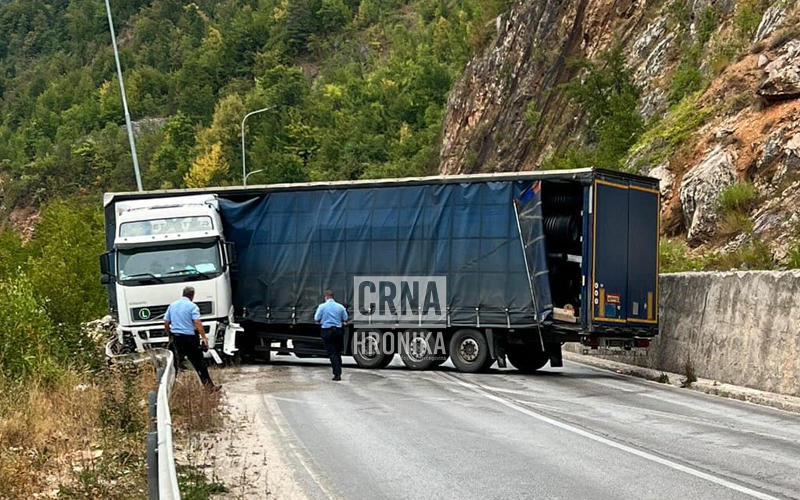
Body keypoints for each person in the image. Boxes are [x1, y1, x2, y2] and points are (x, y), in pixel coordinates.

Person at [165, 286, 221, 392]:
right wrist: (204, 337)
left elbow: (166, 322)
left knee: (174, 365)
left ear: (183, 293)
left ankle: (168, 389)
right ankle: (209, 387)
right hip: (190, 339)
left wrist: (170, 336)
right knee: (199, 363)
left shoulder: (172, 306)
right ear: (192, 295)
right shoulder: (192, 306)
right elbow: (197, 322)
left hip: (176, 338)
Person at [314, 289, 348, 381]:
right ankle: (339, 371)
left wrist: (320, 321)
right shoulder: (340, 307)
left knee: (332, 353)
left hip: (327, 331)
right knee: (337, 352)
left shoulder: (322, 307)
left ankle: (337, 374)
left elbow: (316, 318)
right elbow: (345, 318)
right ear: (333, 297)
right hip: (338, 331)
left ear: (326, 297)